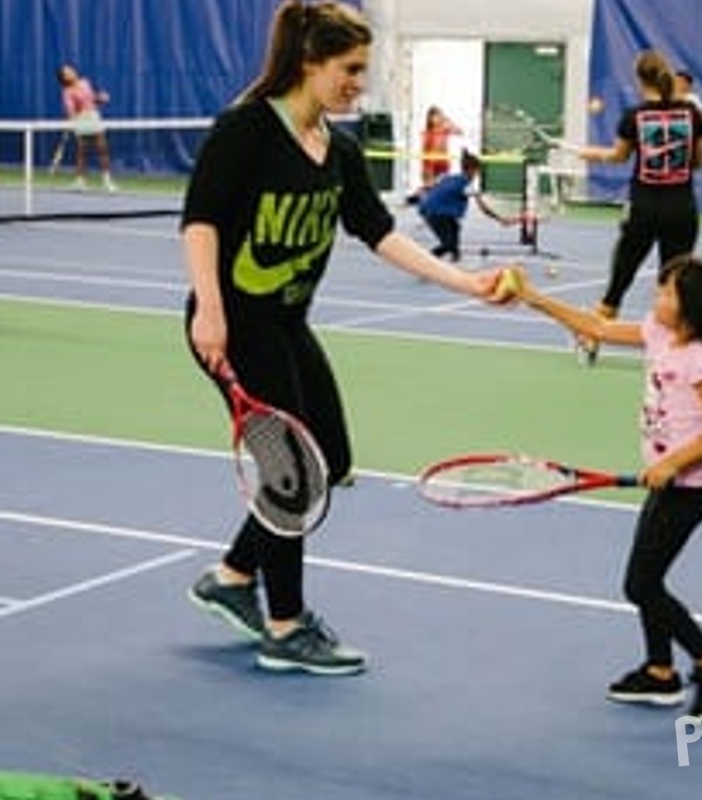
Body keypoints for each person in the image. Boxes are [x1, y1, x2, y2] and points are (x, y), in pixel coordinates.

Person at [181, 0, 514, 676]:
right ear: (310, 62)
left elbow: (380, 232)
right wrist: (210, 309)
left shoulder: (340, 149)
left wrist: (464, 282)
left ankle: (233, 576)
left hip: (286, 321)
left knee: (327, 461)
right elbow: (201, 221)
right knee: (293, 472)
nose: (359, 83)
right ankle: (285, 625)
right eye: (351, 69)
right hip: (235, 325)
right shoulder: (245, 129)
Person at [510, 254, 702, 721]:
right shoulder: (661, 335)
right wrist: (533, 298)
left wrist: (674, 463)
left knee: (640, 584)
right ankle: (660, 673)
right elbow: (597, 329)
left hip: (691, 489)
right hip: (669, 482)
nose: (656, 295)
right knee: (650, 578)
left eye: (667, 292)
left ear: (693, 311)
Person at [567, 50, 702, 364]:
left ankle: (591, 341)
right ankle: (674, 351)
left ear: (639, 79)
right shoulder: (692, 115)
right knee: (675, 285)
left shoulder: (634, 117)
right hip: (682, 209)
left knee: (620, 279)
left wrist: (590, 154)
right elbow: (699, 162)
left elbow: (618, 157)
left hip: (644, 208)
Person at [418, 150, 517, 262]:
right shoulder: (467, 186)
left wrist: (415, 201)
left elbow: (430, 190)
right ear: (471, 170)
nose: (477, 174)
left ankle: (455, 255)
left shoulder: (449, 178)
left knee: (455, 227)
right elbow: (483, 209)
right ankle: (424, 261)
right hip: (436, 215)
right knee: (447, 245)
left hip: (431, 211)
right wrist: (500, 219)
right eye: (477, 171)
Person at [56, 63, 115, 191]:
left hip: (93, 117)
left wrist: (100, 98)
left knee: (103, 149)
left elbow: (92, 99)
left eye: (71, 70)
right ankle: (80, 181)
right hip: (81, 119)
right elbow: (71, 110)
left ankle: (107, 181)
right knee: (82, 152)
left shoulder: (85, 82)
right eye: (67, 72)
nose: (72, 72)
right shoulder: (67, 92)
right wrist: (74, 116)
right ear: (65, 78)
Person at [406, 105, 461, 204]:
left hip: (443, 163)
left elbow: (459, 131)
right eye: (434, 116)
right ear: (430, 119)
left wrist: (447, 120)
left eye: (438, 116)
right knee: (430, 186)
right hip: (431, 163)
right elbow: (425, 151)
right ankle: (417, 197)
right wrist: (426, 168)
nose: (437, 119)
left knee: (440, 186)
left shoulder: (445, 130)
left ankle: (421, 196)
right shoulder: (428, 133)